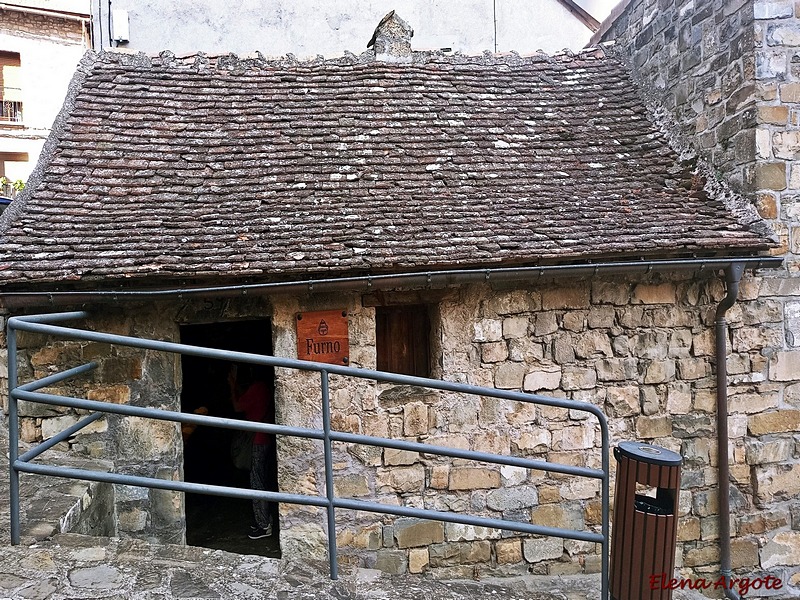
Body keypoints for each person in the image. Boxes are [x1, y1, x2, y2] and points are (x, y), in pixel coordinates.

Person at [228, 363, 276, 539]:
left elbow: (238, 406)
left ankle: (264, 525)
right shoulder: (265, 388)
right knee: (261, 479)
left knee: (257, 482)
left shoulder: (257, 388)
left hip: (257, 440)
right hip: (265, 439)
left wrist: (232, 385)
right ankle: (264, 520)